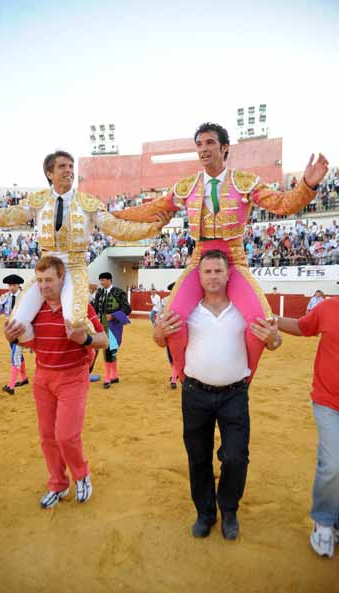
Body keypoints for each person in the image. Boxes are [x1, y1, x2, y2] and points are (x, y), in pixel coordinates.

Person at [113, 122, 328, 380]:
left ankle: (244, 379)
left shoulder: (244, 182)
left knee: (260, 321)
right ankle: (184, 376)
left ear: (224, 148)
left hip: (234, 260)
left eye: (210, 143)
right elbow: (152, 208)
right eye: (200, 144)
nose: (203, 149)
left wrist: (306, 186)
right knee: (171, 318)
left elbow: (283, 204)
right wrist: (111, 214)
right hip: (198, 260)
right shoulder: (187, 186)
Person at [0, 151, 169, 340]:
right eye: (62, 166)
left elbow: (118, 229)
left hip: (74, 269)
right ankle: (44, 356)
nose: (69, 170)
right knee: (16, 326)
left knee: (75, 323)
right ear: (49, 173)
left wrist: (153, 228)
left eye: (71, 166)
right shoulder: (38, 200)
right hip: (44, 271)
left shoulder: (87, 203)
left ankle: (84, 361)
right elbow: (4, 217)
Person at [153, 250, 281, 540]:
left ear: (228, 275)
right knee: (198, 456)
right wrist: (159, 332)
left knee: (236, 456)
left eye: (217, 271)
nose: (212, 276)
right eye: (207, 272)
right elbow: (160, 340)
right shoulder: (187, 311)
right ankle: (205, 513)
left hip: (235, 393)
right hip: (195, 392)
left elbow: (273, 341)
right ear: (198, 277)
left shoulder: (244, 310)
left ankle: (230, 509)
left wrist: (274, 339)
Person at [4, 255, 108, 509]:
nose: (43, 286)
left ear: (62, 279)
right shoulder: (34, 309)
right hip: (43, 377)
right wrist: (13, 338)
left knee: (66, 435)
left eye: (49, 279)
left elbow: (104, 340)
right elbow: (32, 343)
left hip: (73, 376)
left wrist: (83, 340)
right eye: (39, 280)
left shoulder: (78, 306)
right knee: (47, 436)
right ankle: (58, 483)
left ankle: (81, 475)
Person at [273, 299, 339, 558]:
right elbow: (301, 327)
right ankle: (323, 521)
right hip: (329, 401)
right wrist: (267, 317)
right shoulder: (329, 308)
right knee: (333, 464)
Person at [0, 274, 28, 395]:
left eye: (13, 285)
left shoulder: (25, 297)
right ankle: (24, 378)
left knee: (15, 356)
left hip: (22, 330)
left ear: (18, 285)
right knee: (17, 354)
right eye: (9, 285)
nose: (11, 288)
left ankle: (11, 386)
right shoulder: (5, 297)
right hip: (10, 331)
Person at [93, 272, 131, 389]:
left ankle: (108, 377)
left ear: (109, 280)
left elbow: (127, 308)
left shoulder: (118, 292)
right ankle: (114, 376)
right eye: (100, 280)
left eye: (103, 280)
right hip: (101, 323)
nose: (101, 283)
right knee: (108, 349)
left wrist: (114, 315)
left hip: (114, 325)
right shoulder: (99, 292)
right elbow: (94, 307)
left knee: (110, 349)